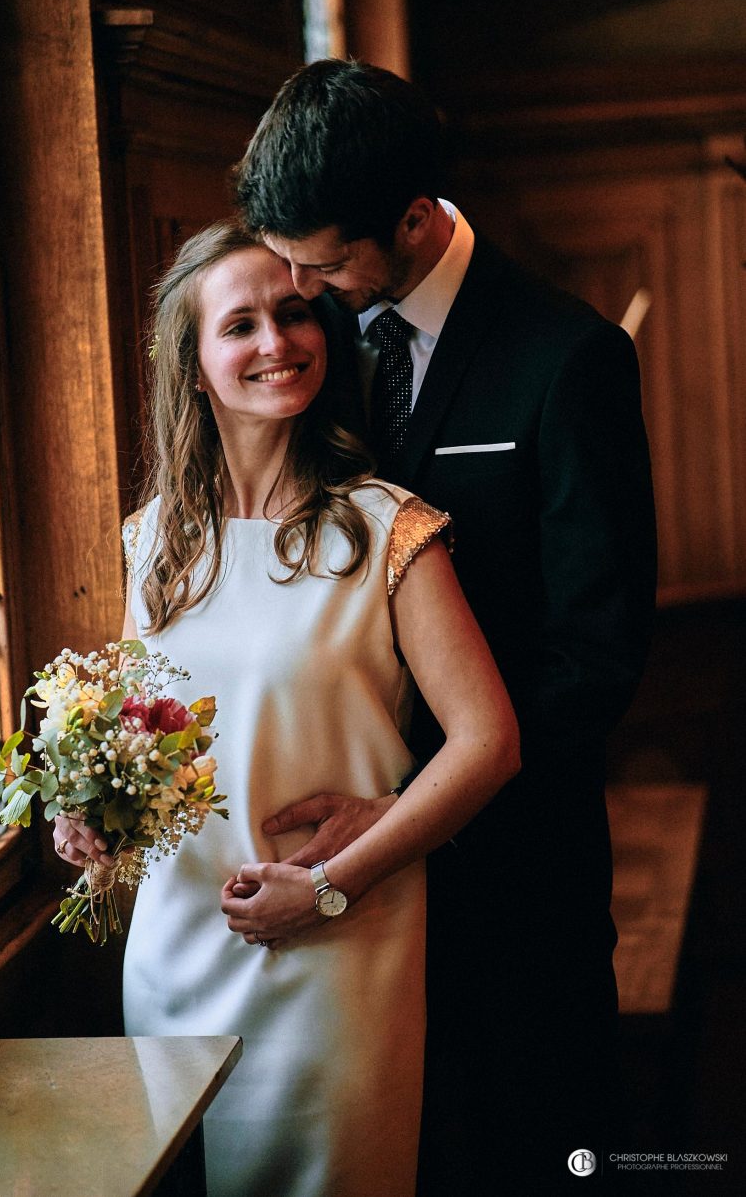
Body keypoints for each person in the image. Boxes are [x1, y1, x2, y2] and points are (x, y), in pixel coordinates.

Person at [230, 59, 658, 1195]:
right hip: (337, 887)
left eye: (318, 259)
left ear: (413, 220)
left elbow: (597, 654)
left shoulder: (565, 360)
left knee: (544, 1151)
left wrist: (416, 805)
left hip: (514, 868)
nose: (295, 286)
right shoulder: (313, 348)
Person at [54, 219, 519, 1197]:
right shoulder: (151, 547)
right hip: (177, 949)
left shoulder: (386, 530)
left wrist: (333, 885)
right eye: (242, 324)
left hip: (338, 952)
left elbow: (487, 743)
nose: (276, 341)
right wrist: (95, 816)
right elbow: (155, 750)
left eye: (295, 312)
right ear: (194, 365)